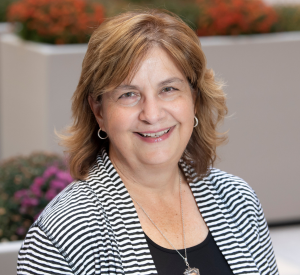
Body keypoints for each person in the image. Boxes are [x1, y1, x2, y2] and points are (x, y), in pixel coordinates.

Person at [17, 9, 279, 275]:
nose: (152, 114)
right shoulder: (62, 234)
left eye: (168, 89)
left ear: (195, 100)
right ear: (99, 112)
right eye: (129, 94)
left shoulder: (238, 200)